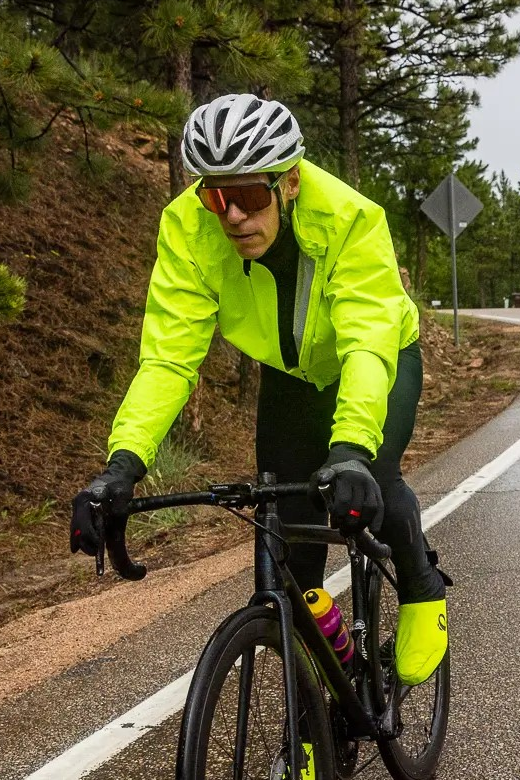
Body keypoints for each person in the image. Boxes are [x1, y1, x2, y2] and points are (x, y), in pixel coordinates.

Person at [69, 94, 448, 686]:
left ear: (289, 182)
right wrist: (121, 466)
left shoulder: (350, 218)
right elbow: (168, 359)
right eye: (215, 197)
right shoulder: (188, 230)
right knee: (289, 546)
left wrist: (349, 449)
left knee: (377, 475)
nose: (232, 217)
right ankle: (325, 694)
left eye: (247, 196)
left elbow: (366, 345)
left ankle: (420, 581)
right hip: (292, 376)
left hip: (377, 358)